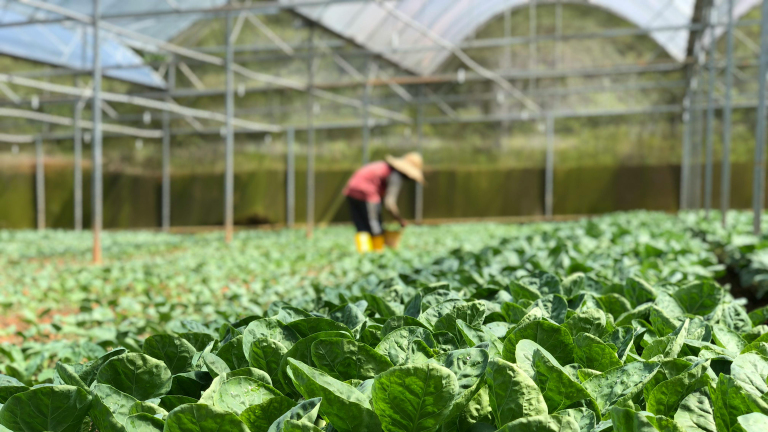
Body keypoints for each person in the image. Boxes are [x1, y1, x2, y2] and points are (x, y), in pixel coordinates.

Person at [343, 152, 424, 252]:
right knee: (375, 225)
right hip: (367, 192)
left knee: (361, 226)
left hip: (351, 190)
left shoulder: (384, 167)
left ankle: (364, 255)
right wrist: (399, 219)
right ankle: (378, 254)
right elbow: (389, 203)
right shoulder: (395, 175)